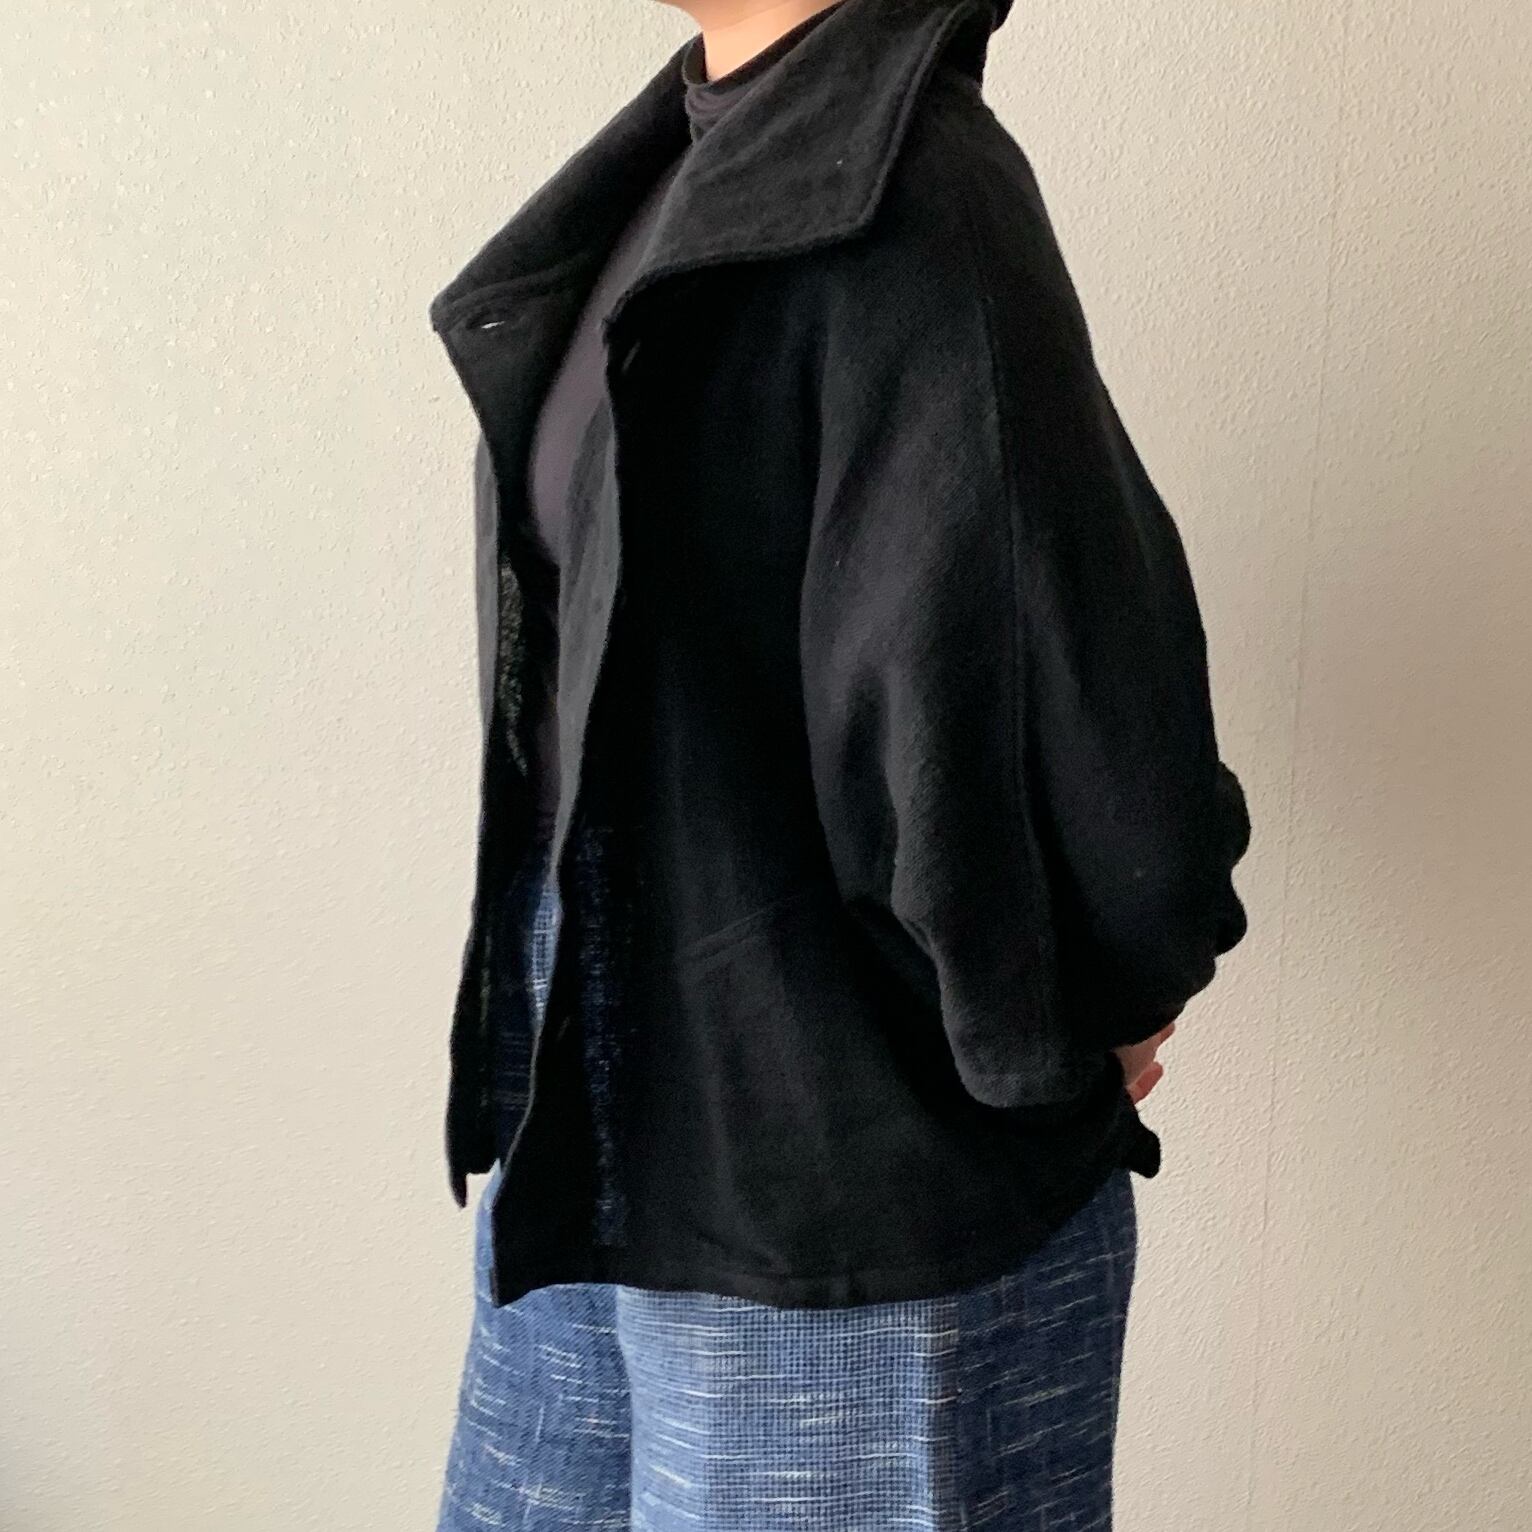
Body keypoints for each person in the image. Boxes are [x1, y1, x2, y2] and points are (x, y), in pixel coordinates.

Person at [425, 0, 1251, 1525]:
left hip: (833, 1195)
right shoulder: (691, 166)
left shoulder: (914, 197)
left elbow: (1067, 667)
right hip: (604, 1140)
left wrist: (1104, 981)